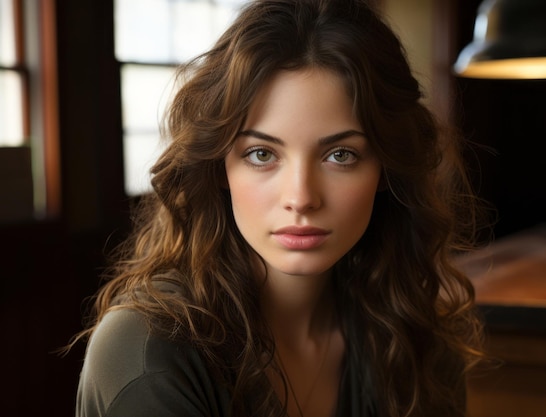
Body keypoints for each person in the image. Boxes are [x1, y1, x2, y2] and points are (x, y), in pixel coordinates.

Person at [73, 0, 484, 416]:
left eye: (340, 155)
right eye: (261, 154)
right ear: (219, 167)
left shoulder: (412, 336)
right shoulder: (149, 351)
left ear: (386, 168)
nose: (301, 197)